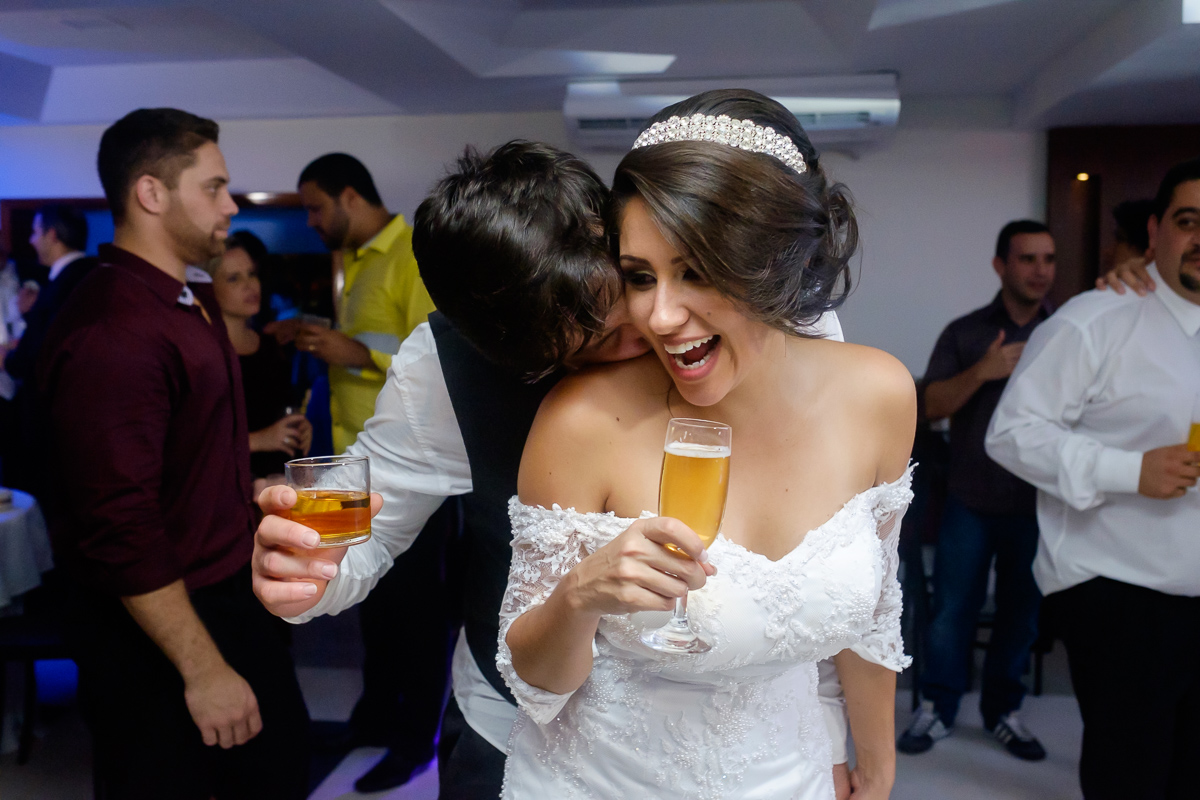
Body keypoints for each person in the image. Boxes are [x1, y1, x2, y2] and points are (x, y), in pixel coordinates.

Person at [251, 138, 854, 799]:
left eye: (625, 288)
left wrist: (828, 727)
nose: (648, 330)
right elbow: (369, 523)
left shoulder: (746, 315)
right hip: (514, 733)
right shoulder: (445, 369)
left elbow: (822, 553)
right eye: (593, 347)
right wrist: (310, 573)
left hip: (732, 747)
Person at [498, 90, 915, 799]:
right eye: (640, 277)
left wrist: (875, 762)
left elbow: (874, 611)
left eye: (695, 270)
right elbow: (535, 684)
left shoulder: (879, 395)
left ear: (775, 261)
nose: (660, 315)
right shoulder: (582, 422)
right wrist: (579, 598)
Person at [37, 107, 310, 799]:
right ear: (151, 193)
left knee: (278, 771)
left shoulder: (184, 300)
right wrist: (203, 668)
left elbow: (182, 455)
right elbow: (119, 524)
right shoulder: (116, 328)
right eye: (213, 188)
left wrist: (249, 496)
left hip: (227, 596)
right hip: (163, 625)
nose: (230, 205)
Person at [986, 157, 1200, 800]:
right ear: (1156, 231)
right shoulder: (1094, 319)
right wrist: (1129, 470)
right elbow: (1012, 434)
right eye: (1189, 221)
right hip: (1122, 593)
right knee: (1132, 778)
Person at [275, 152, 447, 792]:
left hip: (410, 471)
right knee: (372, 608)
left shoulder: (411, 254)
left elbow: (435, 355)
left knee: (416, 616)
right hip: (354, 467)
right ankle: (373, 717)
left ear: (350, 196)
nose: (311, 222)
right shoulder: (352, 261)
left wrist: (353, 353)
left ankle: (415, 742)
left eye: (316, 208)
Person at [897, 220, 1055, 760]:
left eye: (1048, 259)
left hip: (1038, 502)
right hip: (969, 498)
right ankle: (938, 708)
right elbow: (929, 406)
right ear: (1000, 265)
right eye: (1028, 258)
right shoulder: (965, 333)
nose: (1041, 270)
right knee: (951, 612)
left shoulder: (1066, 332)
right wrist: (984, 370)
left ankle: (1003, 712)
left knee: (1021, 614)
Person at [3, 206, 98, 493]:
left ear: (52, 235)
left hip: (54, 424)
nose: (31, 240)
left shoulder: (61, 285)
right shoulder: (92, 276)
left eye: (35, 232)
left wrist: (8, 358)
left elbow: (37, 357)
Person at [210, 229, 312, 484]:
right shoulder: (205, 353)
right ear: (209, 288)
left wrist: (302, 428)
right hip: (229, 484)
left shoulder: (269, 345)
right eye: (234, 278)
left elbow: (282, 409)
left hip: (279, 480)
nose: (250, 285)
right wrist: (259, 439)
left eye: (252, 274)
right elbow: (193, 439)